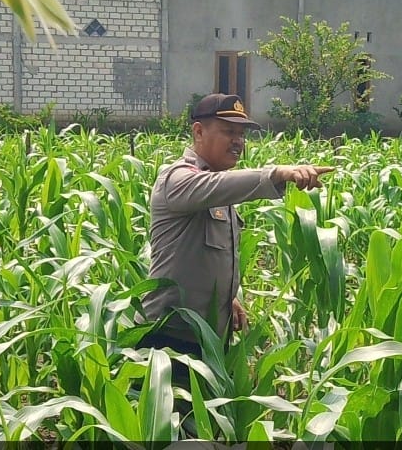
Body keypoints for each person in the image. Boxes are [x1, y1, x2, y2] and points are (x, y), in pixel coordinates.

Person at [138, 93, 331, 383]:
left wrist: (229, 299)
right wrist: (278, 173)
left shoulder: (219, 189)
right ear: (198, 131)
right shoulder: (177, 179)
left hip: (209, 338)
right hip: (169, 339)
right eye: (228, 131)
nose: (238, 141)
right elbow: (216, 186)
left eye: (241, 134)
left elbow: (212, 254)